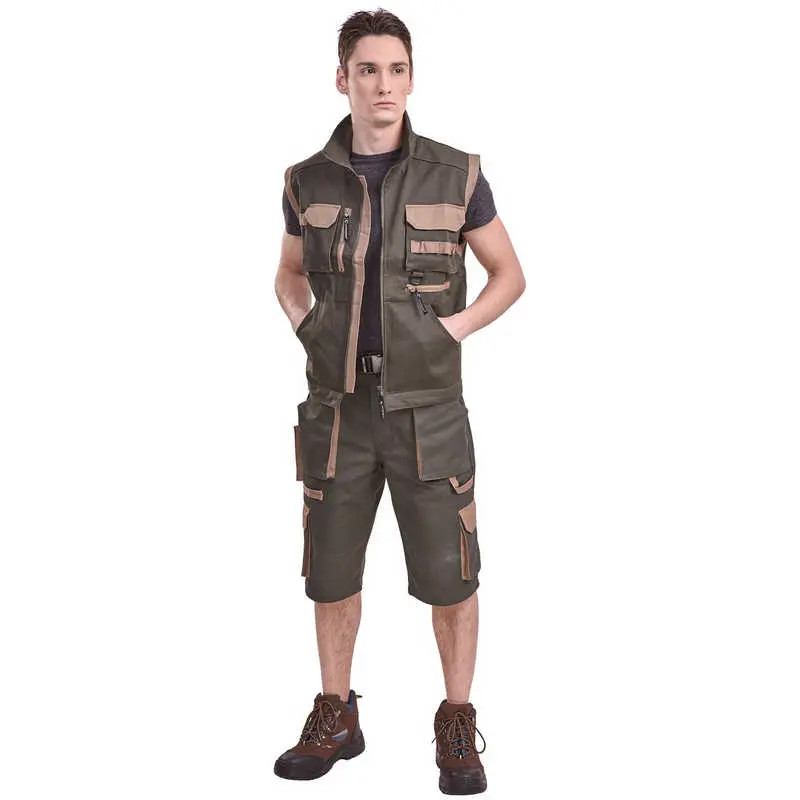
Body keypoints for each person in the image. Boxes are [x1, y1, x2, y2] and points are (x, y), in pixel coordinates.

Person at [273, 8, 525, 795]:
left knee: (452, 576)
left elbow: (509, 275)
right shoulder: (305, 181)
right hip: (338, 411)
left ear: (411, 78)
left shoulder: (457, 174)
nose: (383, 84)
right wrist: (312, 329)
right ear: (341, 78)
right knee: (330, 573)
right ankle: (337, 714)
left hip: (429, 412)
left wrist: (451, 330)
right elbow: (287, 276)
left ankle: (456, 721)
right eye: (367, 70)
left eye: (396, 69)